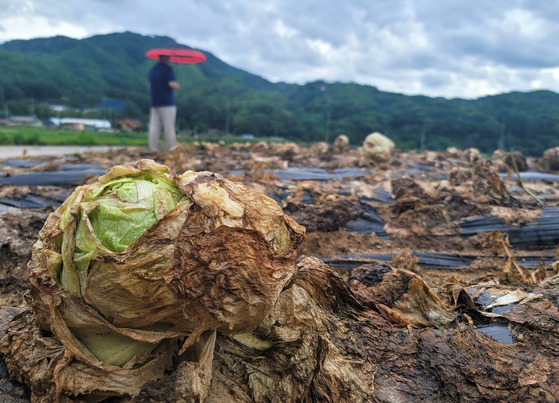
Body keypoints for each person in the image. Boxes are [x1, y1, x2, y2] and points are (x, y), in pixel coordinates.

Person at [148, 54, 180, 151]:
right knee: (169, 126)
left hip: (155, 102)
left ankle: (152, 148)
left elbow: (149, 85)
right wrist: (177, 85)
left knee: (154, 126)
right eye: (168, 57)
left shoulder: (153, 70)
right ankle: (172, 148)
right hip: (167, 103)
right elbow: (172, 84)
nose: (169, 59)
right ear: (164, 57)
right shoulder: (168, 69)